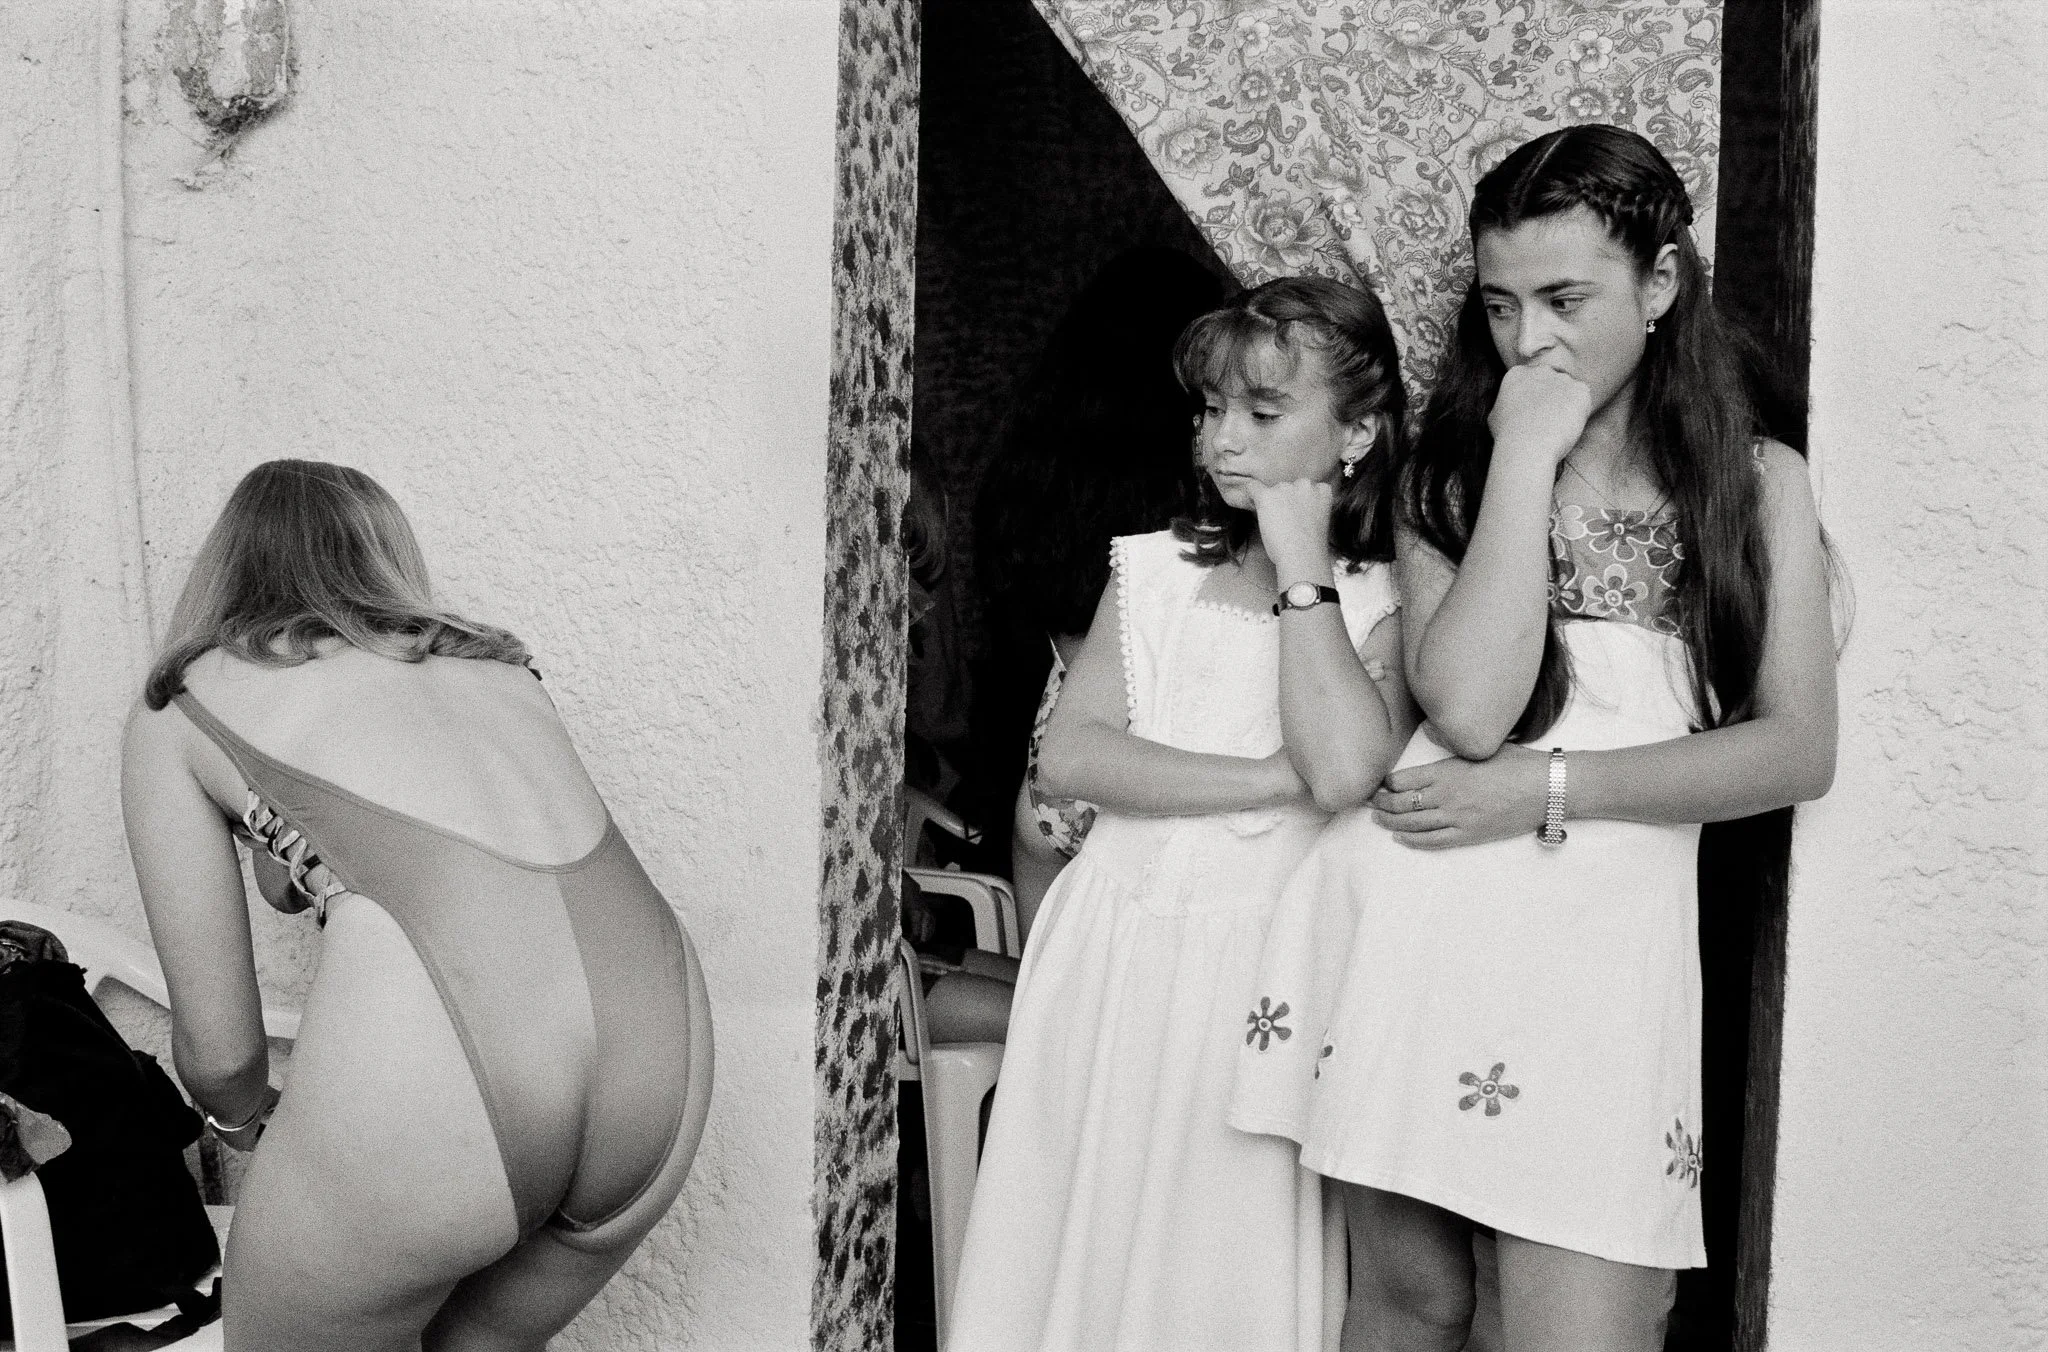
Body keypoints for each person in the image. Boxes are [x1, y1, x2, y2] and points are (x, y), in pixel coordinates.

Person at [1230, 125, 1839, 1352]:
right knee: (1408, 1309)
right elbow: (1464, 706)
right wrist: (1519, 451)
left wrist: (1546, 789)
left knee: (1587, 1330)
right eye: (1500, 306)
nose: (1530, 340)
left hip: (1604, 974)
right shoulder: (1450, 476)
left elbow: (1791, 754)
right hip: (1415, 931)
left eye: (1566, 299)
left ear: (1659, 285)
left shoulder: (1755, 481)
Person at [120, 461, 714, 1352]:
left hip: (449, 1081)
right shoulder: (501, 670)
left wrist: (244, 1121)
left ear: (224, 569)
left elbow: (222, 1049)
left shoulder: (185, 701)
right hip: (660, 1055)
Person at [948, 276, 1420, 1352]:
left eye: (1261, 413)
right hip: (1111, 943)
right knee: (1078, 1231)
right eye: (1209, 410)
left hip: (1263, 962)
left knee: (1219, 1253)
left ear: (1356, 432)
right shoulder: (1154, 567)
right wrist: (1262, 779)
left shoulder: (1387, 597)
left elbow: (1343, 765)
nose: (1222, 440)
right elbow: (1073, 753)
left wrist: (1302, 560)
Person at [972, 247, 1226, 940]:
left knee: (1050, 1012)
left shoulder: (1033, 483)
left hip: (1050, 783)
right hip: (1166, 773)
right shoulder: (1211, 503)